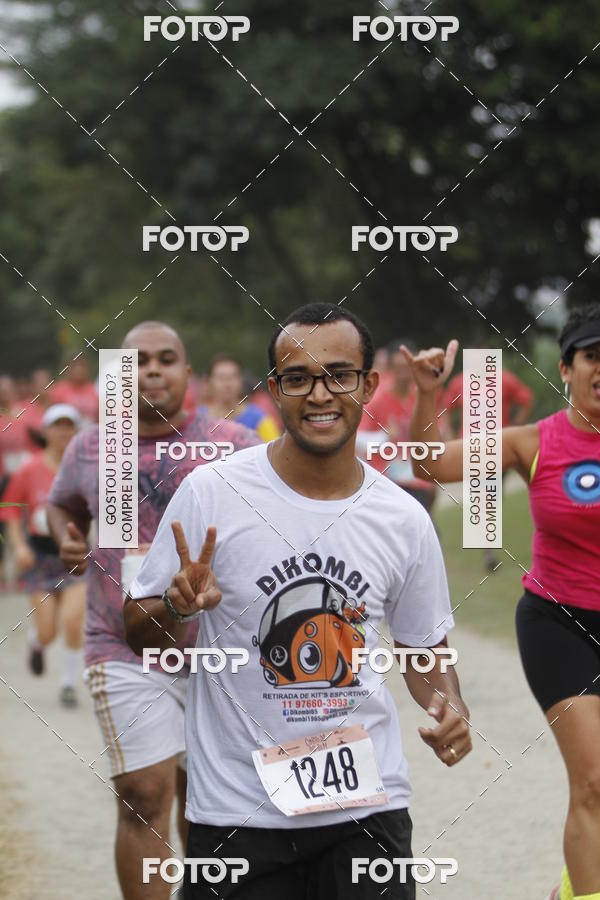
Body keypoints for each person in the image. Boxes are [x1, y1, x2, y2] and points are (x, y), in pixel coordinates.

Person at [124, 303, 471, 900]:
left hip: (368, 807)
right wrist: (179, 607)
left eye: (338, 375)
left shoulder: (402, 518)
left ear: (368, 385)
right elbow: (138, 630)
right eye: (297, 378)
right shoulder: (212, 493)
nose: (320, 394)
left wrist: (449, 703)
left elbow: (423, 648)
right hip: (239, 814)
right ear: (273, 391)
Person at [47, 322, 260, 900]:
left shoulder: (234, 445)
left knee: (209, 807)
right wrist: (67, 537)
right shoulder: (91, 446)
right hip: (121, 644)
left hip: (216, 650)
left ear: (187, 374)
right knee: (145, 794)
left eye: (167, 360)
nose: (153, 371)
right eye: (138, 361)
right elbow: (61, 504)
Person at [403, 304, 600, 900]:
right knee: (593, 782)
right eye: (593, 358)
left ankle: (572, 886)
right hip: (559, 623)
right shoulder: (532, 441)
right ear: (566, 369)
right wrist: (428, 393)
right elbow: (431, 464)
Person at [0, 403, 85, 705]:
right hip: (40, 557)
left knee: (73, 622)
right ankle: (38, 643)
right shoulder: (28, 469)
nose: (63, 432)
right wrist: (20, 546)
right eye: (57, 426)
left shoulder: (86, 467)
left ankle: (68, 685)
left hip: (75, 556)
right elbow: (9, 510)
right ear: (46, 431)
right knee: (48, 631)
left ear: (76, 431)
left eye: (69, 426)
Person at [357, 340, 436, 512]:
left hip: (418, 479)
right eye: (398, 369)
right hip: (387, 482)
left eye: (407, 368)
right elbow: (355, 439)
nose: (404, 374)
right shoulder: (376, 400)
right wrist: (384, 437)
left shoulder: (422, 397)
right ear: (390, 369)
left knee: (427, 529)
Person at [202, 353, 281, 441]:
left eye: (232, 377)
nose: (227, 384)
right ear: (209, 382)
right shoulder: (198, 421)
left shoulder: (259, 420)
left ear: (241, 381)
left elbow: (275, 449)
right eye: (221, 378)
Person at [50, 355, 99, 423]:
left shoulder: (95, 389)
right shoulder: (58, 390)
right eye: (75, 366)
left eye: (82, 366)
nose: (79, 370)